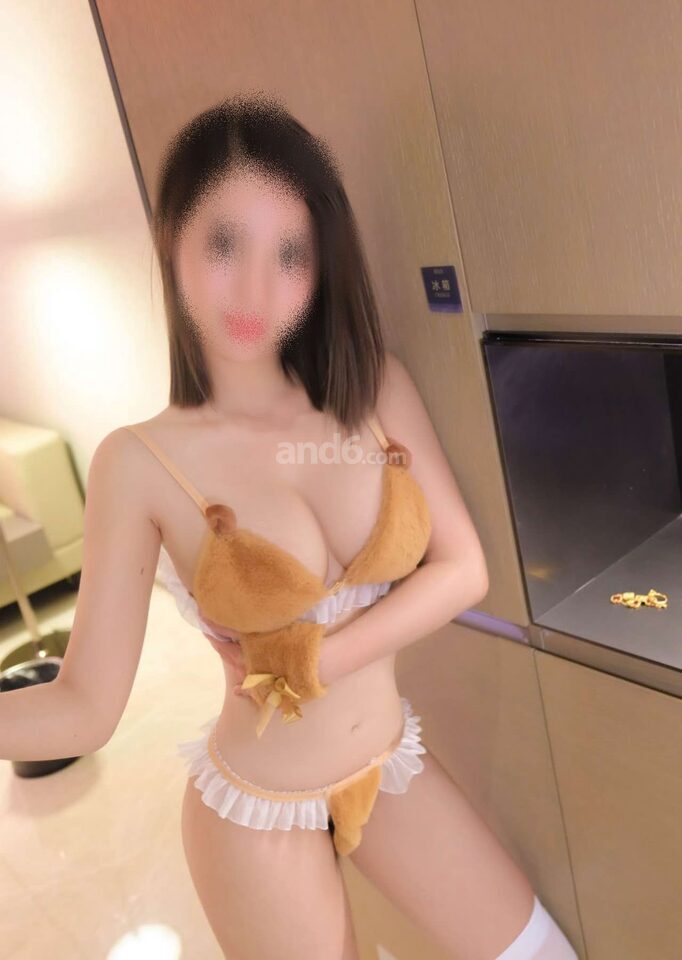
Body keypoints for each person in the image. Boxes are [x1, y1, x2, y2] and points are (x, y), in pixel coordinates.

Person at [5, 92, 579, 959]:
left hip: (387, 761)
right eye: (224, 245)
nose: (256, 289)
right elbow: (83, 707)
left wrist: (312, 660)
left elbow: (464, 570)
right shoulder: (139, 462)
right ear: (172, 243)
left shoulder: (372, 388)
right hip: (254, 810)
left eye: (291, 254)